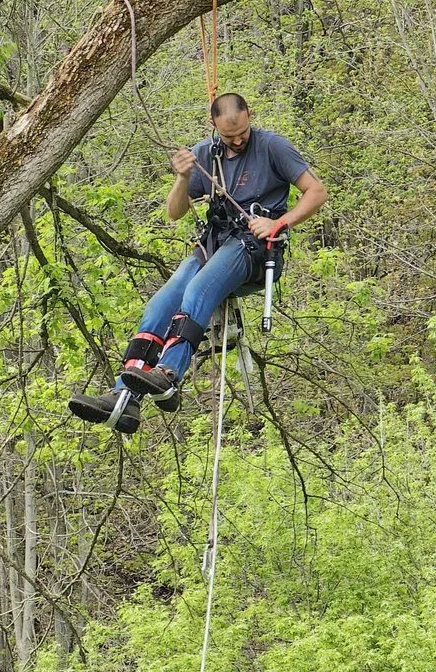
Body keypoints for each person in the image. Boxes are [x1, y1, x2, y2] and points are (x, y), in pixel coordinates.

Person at [69, 93, 328, 433]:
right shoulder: (207, 153)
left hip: (254, 249)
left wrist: (279, 223)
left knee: (197, 291)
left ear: (250, 115)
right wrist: (181, 178)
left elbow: (316, 191)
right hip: (214, 244)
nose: (236, 142)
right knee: (161, 303)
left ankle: (168, 375)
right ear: (213, 125)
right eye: (228, 136)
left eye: (242, 134)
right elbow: (174, 212)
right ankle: (124, 398)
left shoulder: (271, 146)